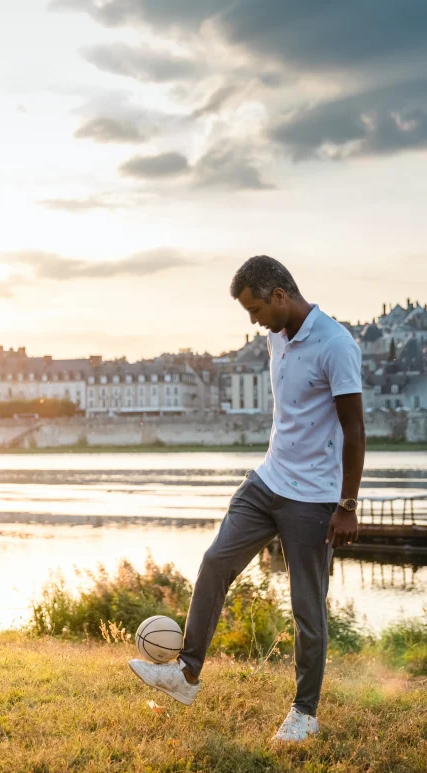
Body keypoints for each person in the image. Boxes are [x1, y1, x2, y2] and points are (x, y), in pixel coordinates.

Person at [129, 256, 366, 742]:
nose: (254, 320)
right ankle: (187, 673)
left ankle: (305, 714)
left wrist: (347, 504)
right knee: (216, 560)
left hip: (315, 499)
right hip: (266, 481)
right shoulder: (276, 336)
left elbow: (355, 428)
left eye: (256, 309)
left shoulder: (336, 345)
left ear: (279, 296)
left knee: (307, 608)